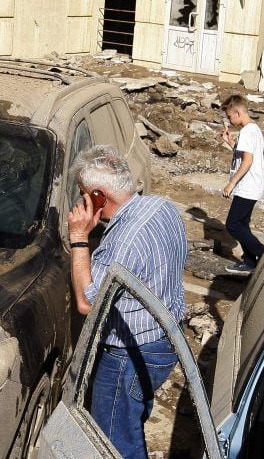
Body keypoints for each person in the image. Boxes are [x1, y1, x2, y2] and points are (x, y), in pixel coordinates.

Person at [66, 145, 187, 459]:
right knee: (130, 424)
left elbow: (86, 303)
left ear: (98, 196)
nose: (81, 201)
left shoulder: (124, 242)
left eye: (83, 194)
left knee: (113, 442)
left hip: (131, 355)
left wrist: (79, 238)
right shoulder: (162, 207)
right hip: (166, 343)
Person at [221, 94, 264, 275]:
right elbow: (244, 155)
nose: (229, 120)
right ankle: (249, 261)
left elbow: (247, 161)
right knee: (242, 223)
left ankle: (263, 253)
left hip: (248, 186)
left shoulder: (247, 131)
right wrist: (231, 143)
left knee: (232, 224)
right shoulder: (252, 129)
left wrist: (231, 183)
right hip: (253, 185)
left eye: (230, 116)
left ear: (238, 113)